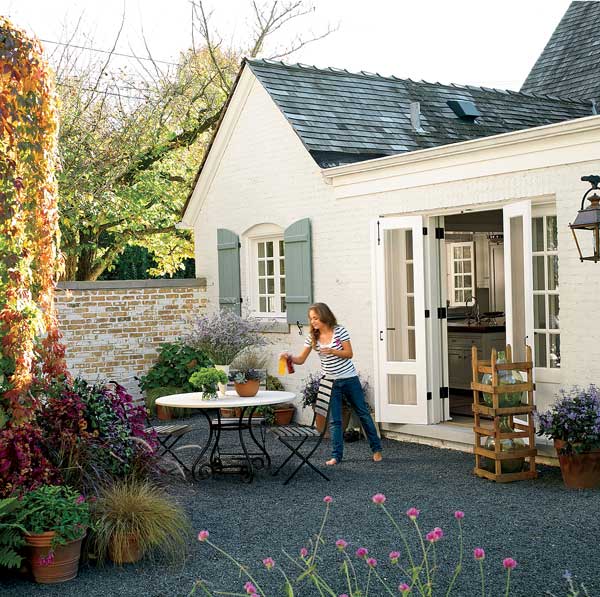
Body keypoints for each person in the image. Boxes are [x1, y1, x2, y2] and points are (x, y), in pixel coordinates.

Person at [281, 302, 382, 466]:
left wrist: (333, 351)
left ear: (324, 316)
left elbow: (349, 354)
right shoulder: (312, 337)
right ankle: (336, 456)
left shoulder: (340, 330)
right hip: (329, 381)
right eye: (311, 318)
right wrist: (289, 357)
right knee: (335, 420)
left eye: (315, 318)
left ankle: (376, 450)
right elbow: (301, 359)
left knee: (363, 413)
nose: (312, 321)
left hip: (349, 379)